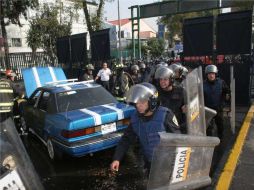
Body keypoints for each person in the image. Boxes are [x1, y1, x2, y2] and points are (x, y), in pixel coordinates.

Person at [110, 82, 180, 174]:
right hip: (150, 164)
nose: (138, 105)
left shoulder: (165, 115)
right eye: (137, 102)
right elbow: (126, 139)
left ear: (152, 101)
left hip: (168, 165)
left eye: (142, 102)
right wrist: (117, 158)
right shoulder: (135, 118)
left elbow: (179, 140)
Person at [154, 66, 186, 133]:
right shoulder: (156, 93)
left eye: (165, 79)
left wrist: (188, 107)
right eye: (161, 79)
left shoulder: (180, 91)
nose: (162, 82)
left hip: (178, 128)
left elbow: (188, 109)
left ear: (171, 80)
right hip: (162, 129)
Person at [203, 65, 230, 140]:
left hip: (218, 108)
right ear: (207, 75)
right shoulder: (202, 84)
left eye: (213, 73)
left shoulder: (221, 82)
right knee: (209, 127)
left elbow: (227, 91)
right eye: (209, 74)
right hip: (208, 109)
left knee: (220, 124)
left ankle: (220, 138)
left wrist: (223, 102)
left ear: (215, 74)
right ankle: (209, 141)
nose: (211, 75)